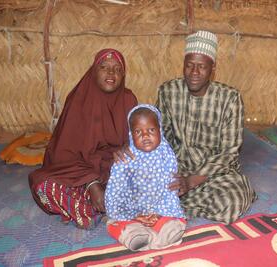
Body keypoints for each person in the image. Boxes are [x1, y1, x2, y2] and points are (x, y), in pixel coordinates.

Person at [28, 49, 138, 229]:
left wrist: (127, 145)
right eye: (104, 67)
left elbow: (137, 137)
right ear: (94, 71)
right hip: (77, 171)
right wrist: (91, 183)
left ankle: (89, 207)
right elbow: (64, 153)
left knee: (145, 176)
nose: (111, 73)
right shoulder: (79, 100)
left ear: (123, 74)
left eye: (117, 69)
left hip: (113, 169)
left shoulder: (129, 99)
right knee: (43, 184)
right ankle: (93, 207)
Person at [155, 30, 256, 224]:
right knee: (143, 185)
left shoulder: (230, 99)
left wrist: (192, 181)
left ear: (213, 69)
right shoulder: (168, 91)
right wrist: (168, 173)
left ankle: (173, 205)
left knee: (231, 201)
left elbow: (229, 152)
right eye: (189, 65)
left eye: (201, 67)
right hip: (178, 166)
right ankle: (172, 201)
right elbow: (161, 138)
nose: (194, 73)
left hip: (214, 172)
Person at [106, 104, 186, 251]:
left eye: (151, 130)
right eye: (138, 131)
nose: (145, 135)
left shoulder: (166, 156)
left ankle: (167, 230)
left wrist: (159, 212)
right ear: (131, 135)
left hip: (158, 208)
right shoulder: (124, 160)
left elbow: (169, 189)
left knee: (175, 221)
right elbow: (115, 194)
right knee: (117, 223)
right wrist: (135, 215)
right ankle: (135, 235)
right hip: (131, 210)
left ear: (160, 130)